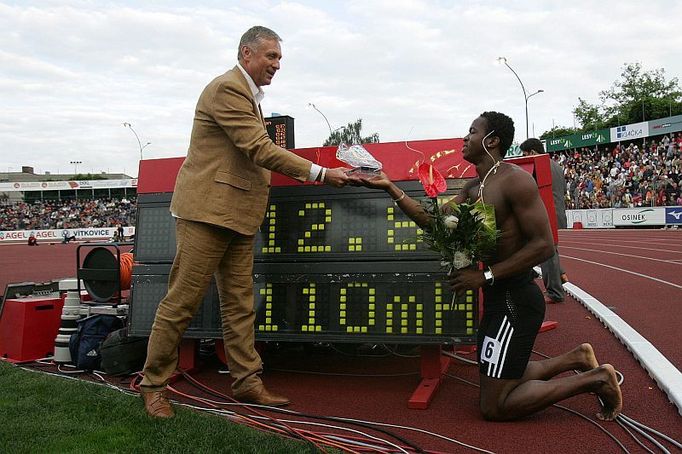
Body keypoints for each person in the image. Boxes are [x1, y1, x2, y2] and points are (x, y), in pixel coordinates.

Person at [352, 111, 622, 421]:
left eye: (471, 132)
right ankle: (577, 357)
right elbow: (435, 222)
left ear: (491, 140)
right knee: (501, 375)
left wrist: (484, 276)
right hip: (497, 298)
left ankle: (596, 379)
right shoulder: (472, 188)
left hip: (516, 300)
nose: (464, 138)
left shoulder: (516, 181)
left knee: (494, 406)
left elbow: (544, 244)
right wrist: (390, 189)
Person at [139, 26, 351, 419]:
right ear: (246, 53)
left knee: (240, 306)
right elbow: (258, 148)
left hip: (235, 215)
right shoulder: (227, 89)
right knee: (181, 304)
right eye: (271, 56)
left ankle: (247, 382)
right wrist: (321, 173)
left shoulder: (247, 95)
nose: (276, 65)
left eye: (279, 58)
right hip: (207, 213)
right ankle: (152, 386)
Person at [519, 138, 568, 304]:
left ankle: (555, 292)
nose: (524, 157)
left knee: (547, 252)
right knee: (549, 248)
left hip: (546, 213)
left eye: (525, 154)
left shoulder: (537, 165)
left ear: (532, 152)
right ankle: (560, 274)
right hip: (557, 211)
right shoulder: (557, 166)